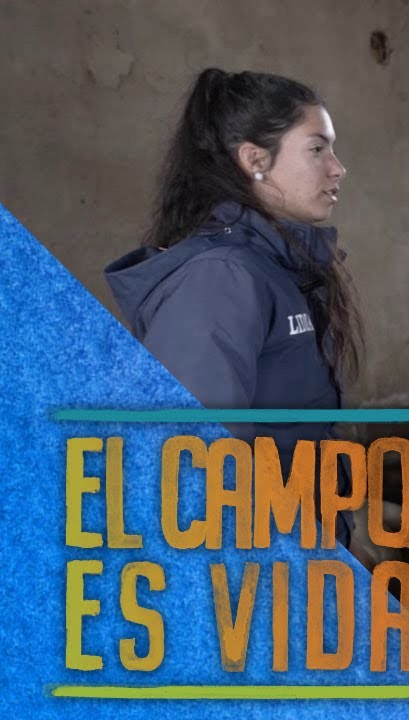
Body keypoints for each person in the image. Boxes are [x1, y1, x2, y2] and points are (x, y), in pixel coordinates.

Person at [105, 68, 360, 546]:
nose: (337, 167)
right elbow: (188, 466)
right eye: (317, 148)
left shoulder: (279, 269)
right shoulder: (222, 277)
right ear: (254, 160)